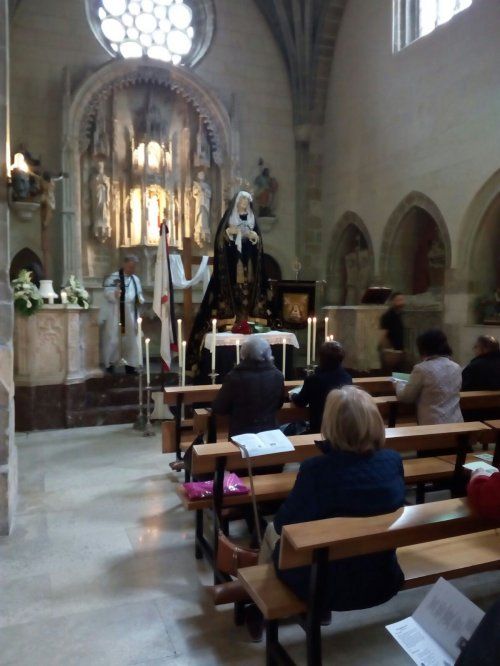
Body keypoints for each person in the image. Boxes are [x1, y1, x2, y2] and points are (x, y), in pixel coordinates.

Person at [271, 386, 405, 611]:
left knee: (270, 536)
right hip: (381, 575)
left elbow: (283, 524)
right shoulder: (392, 460)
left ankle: (256, 605)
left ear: (330, 425)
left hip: (326, 584)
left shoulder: (317, 469)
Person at [186, 191, 268, 376]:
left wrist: (253, 238)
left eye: (247, 200)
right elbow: (220, 243)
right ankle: (232, 320)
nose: (245, 203)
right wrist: (231, 234)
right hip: (231, 268)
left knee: (248, 291)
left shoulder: (253, 219)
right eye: (242, 200)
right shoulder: (229, 218)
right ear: (237, 202)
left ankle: (247, 320)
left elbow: (259, 244)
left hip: (249, 266)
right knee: (232, 292)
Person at [212, 337, 284, 437]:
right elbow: (279, 404)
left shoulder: (234, 377)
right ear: (268, 352)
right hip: (271, 431)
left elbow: (220, 408)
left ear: (243, 353)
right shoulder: (278, 376)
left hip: (242, 433)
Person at [395, 329, 463, 425]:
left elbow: (406, 397)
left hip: (434, 425)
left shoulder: (422, 369)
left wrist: (398, 383)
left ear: (423, 347)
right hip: (457, 422)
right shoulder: (456, 367)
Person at [290, 341, 352, 433]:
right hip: (342, 427)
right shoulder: (347, 377)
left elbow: (301, 402)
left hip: (319, 427)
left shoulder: (314, 379)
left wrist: (293, 395)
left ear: (322, 359)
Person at [101, 255, 145, 374]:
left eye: (134, 267)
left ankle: (131, 365)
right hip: (117, 312)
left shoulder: (136, 279)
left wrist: (140, 299)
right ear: (125, 264)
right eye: (130, 267)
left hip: (131, 313)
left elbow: (139, 294)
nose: (132, 269)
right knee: (114, 339)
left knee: (132, 340)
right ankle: (110, 364)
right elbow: (107, 293)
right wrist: (114, 294)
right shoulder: (114, 277)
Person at [379, 292, 405, 371]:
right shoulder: (388, 316)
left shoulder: (400, 315)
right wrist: (388, 351)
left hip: (399, 351)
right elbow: (383, 334)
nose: (401, 303)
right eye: (398, 300)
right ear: (393, 302)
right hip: (392, 353)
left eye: (402, 300)